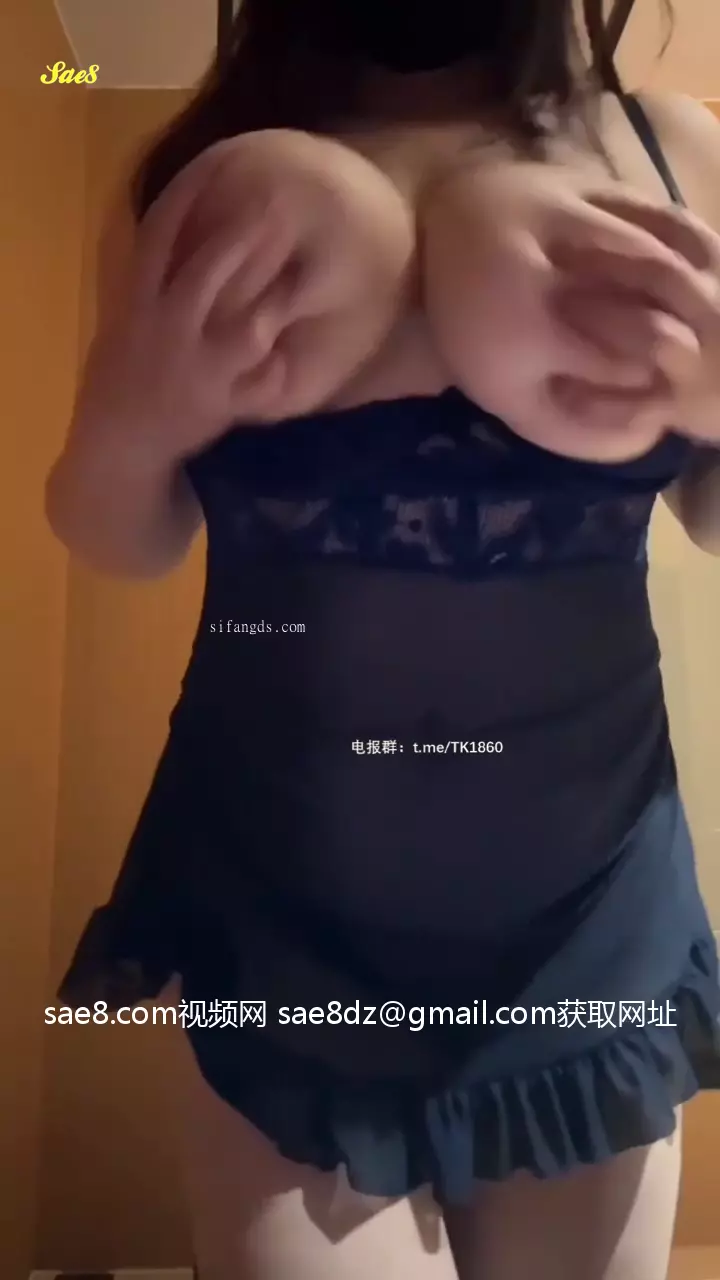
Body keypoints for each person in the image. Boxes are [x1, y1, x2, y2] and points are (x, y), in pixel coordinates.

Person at [45, 1, 720, 1277]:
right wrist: (134, 416)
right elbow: (118, 533)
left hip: (585, 922)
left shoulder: (672, 153)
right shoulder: (199, 187)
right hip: (279, 916)